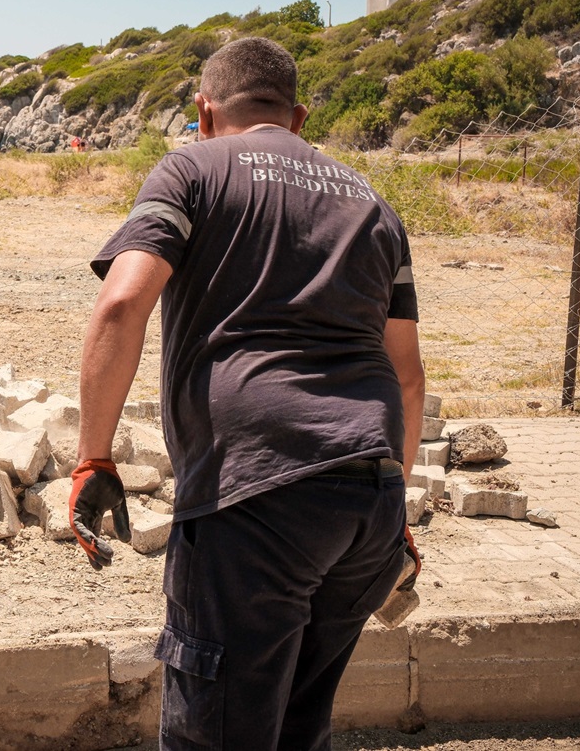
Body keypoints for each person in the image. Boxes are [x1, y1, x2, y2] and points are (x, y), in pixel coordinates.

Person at [69, 37, 425, 751]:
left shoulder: (191, 169)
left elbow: (120, 305)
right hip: (370, 498)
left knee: (216, 731)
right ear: (296, 119)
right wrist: (390, 499)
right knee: (299, 725)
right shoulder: (372, 203)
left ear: (204, 112)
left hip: (253, 495)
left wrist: (93, 457)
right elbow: (408, 373)